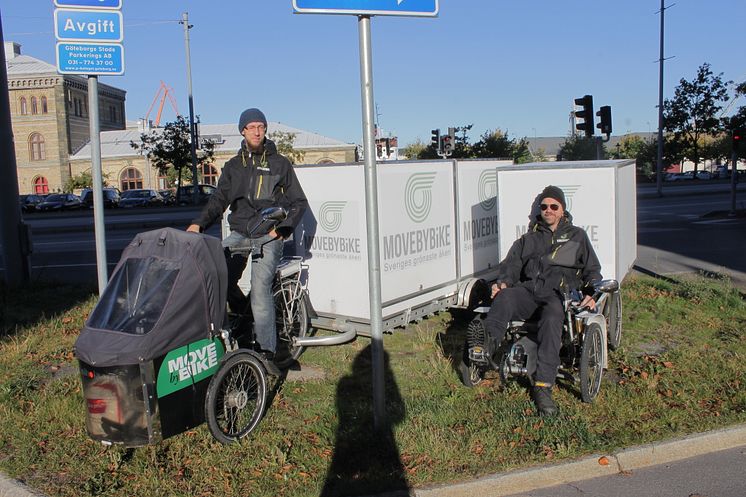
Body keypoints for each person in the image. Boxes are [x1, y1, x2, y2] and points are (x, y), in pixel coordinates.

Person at [187, 108, 308, 362]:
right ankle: (244, 314)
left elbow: (298, 202)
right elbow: (219, 200)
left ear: (265, 130)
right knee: (218, 279)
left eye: (261, 127)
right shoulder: (234, 167)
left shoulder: (280, 163)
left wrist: (282, 230)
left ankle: (267, 353)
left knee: (260, 288)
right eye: (251, 127)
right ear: (242, 131)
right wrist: (198, 224)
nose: (256, 131)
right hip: (240, 233)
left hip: (268, 236)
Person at [476, 185, 601, 416]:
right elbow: (511, 265)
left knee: (553, 318)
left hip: (557, 294)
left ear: (562, 210)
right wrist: (503, 282)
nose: (549, 210)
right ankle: (486, 347)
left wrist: (591, 293)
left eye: (554, 206)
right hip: (529, 290)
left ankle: (543, 386)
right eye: (544, 206)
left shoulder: (577, 236)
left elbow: (592, 269)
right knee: (504, 298)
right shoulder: (529, 239)